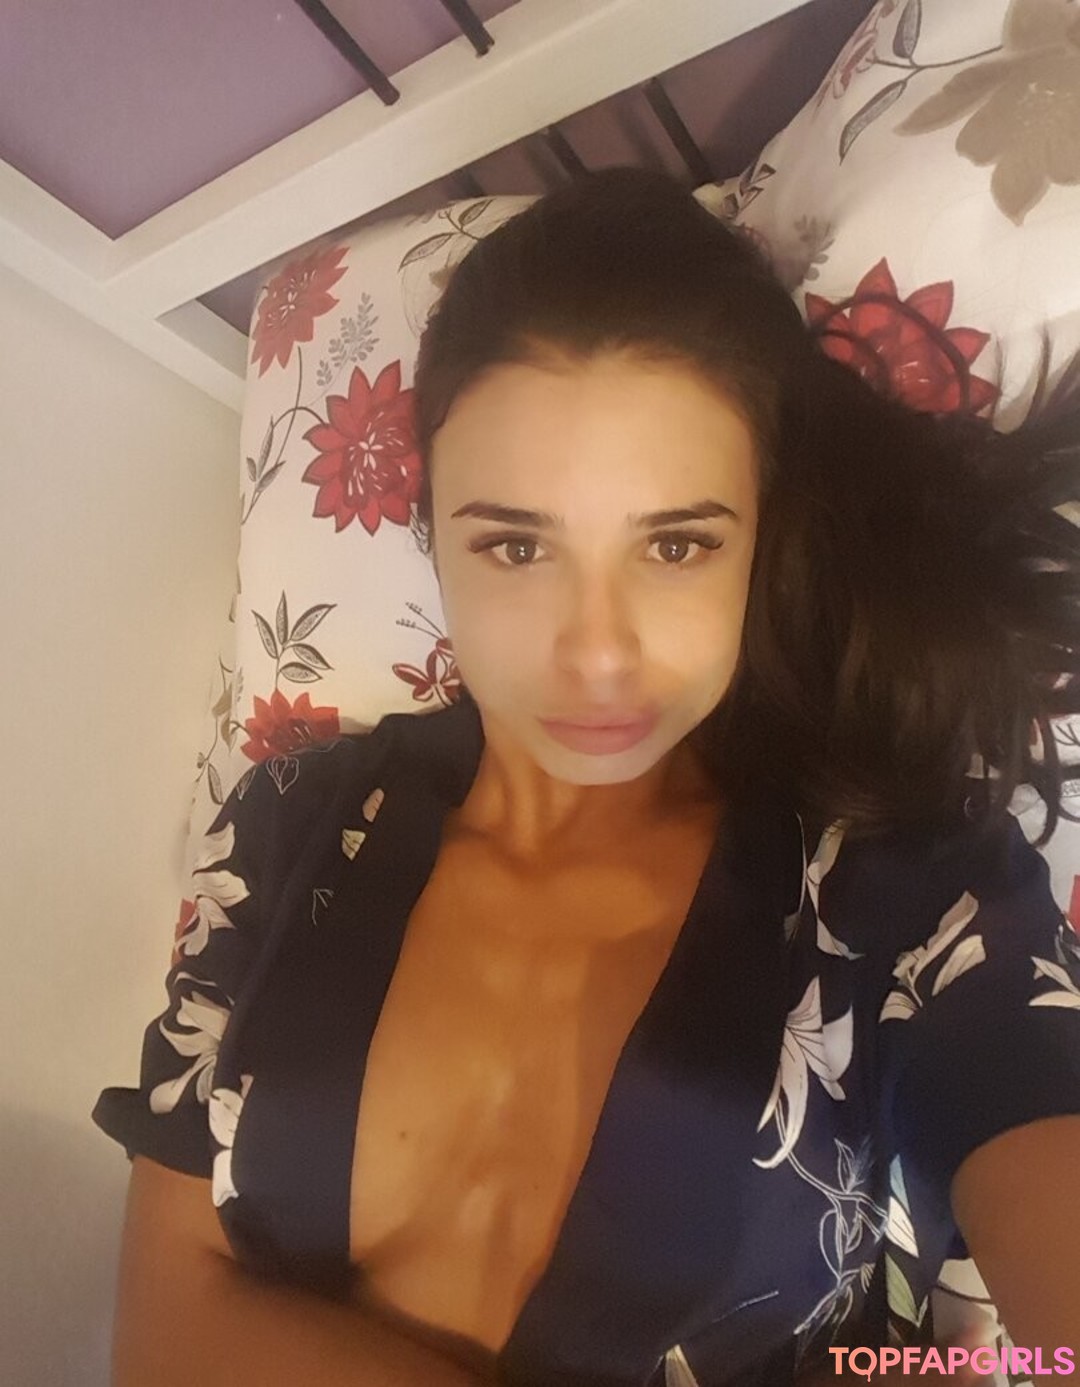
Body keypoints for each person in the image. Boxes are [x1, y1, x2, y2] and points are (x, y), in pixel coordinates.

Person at [93, 168, 1080, 1387]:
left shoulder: (904, 885)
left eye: (676, 544)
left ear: (759, 537)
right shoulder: (287, 824)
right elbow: (160, 1330)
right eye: (516, 545)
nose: (598, 653)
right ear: (433, 534)